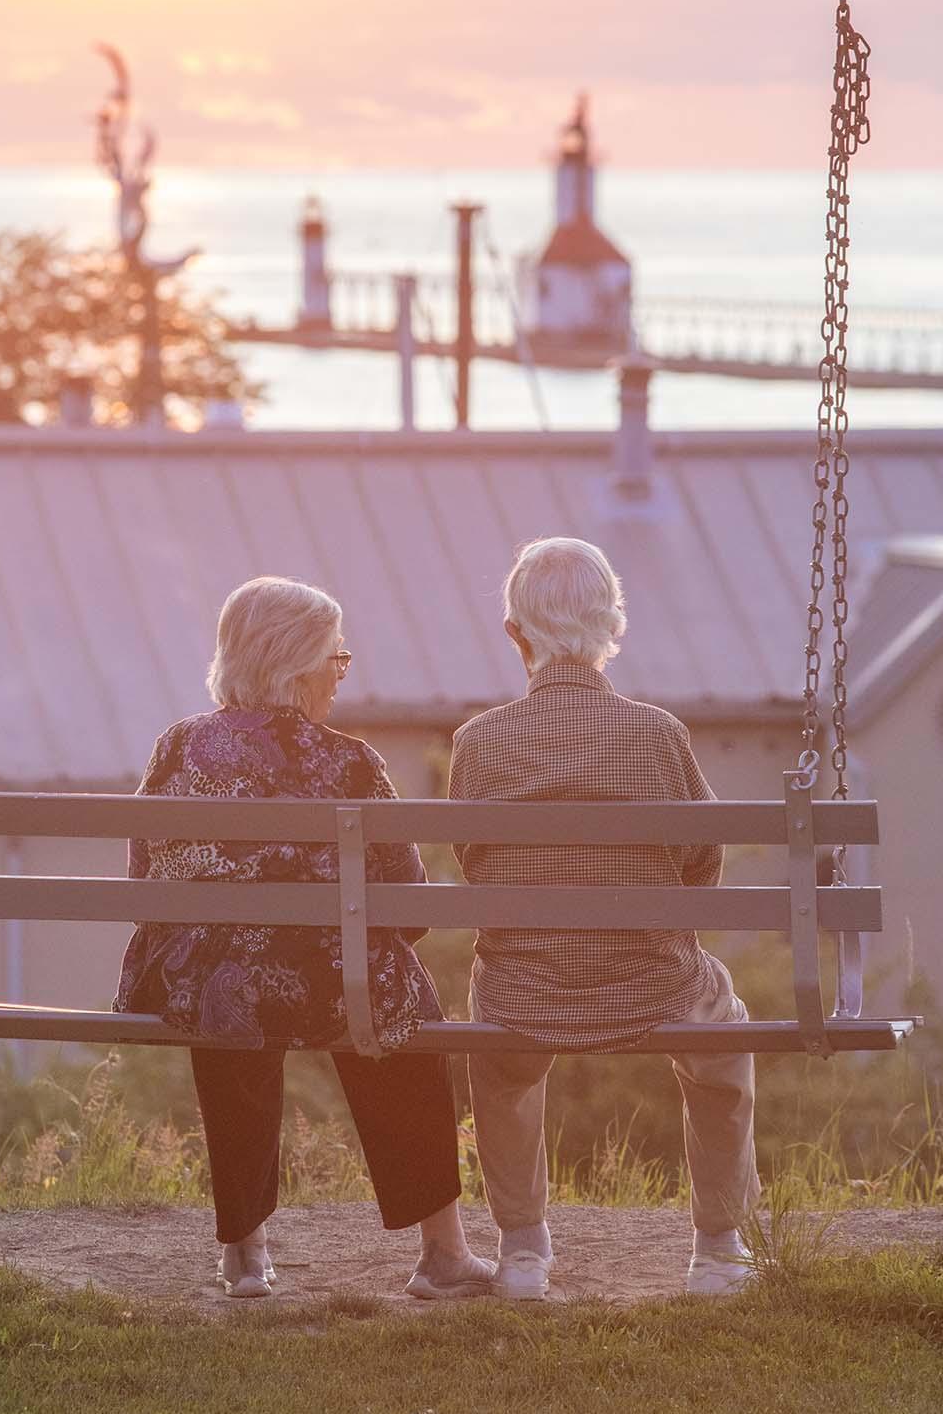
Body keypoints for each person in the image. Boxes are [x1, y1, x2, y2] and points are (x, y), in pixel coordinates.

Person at [115, 575, 493, 1302]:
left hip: (204, 984)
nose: (340, 676)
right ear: (295, 665)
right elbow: (408, 904)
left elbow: (145, 883)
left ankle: (245, 1257)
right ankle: (443, 1253)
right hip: (330, 979)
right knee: (393, 1005)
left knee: (232, 990)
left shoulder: (177, 748)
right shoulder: (348, 761)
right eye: (335, 660)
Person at [449, 536, 761, 1301]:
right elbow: (702, 865)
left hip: (525, 991)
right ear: (610, 624)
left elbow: (475, 862)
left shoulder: (479, 742)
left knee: (499, 1057)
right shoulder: (659, 735)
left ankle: (523, 1250)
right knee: (723, 1045)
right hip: (650, 983)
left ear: (515, 632)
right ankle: (718, 1249)